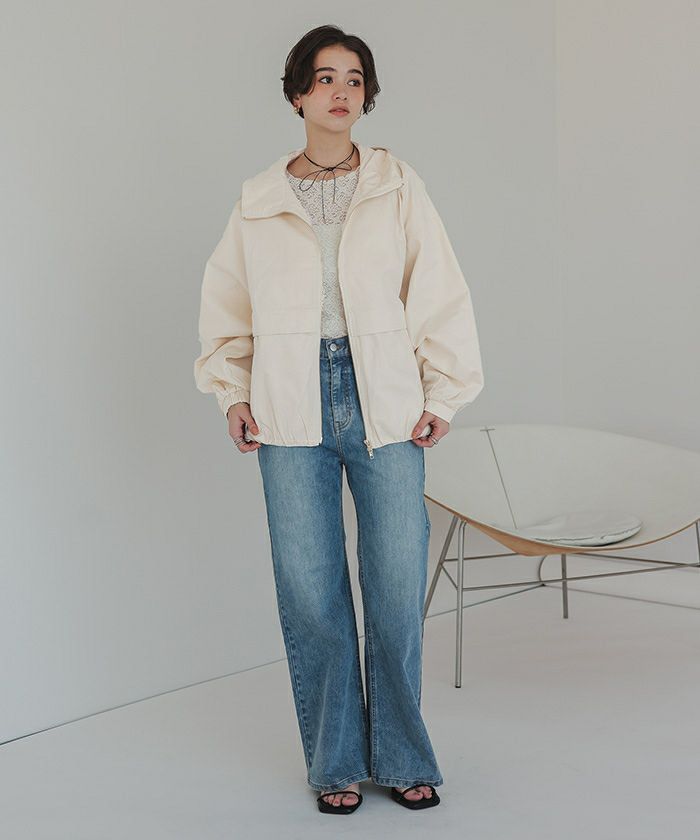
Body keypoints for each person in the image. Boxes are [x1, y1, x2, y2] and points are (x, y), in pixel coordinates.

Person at [194, 25, 484, 815]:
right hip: (289, 402)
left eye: (354, 79)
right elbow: (227, 303)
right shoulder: (258, 199)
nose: (340, 91)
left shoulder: (397, 185)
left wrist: (441, 393)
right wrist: (234, 390)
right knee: (311, 592)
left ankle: (403, 755)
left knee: (395, 587)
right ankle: (336, 763)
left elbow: (439, 287)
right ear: (298, 95)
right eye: (324, 78)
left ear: (367, 95)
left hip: (385, 397)